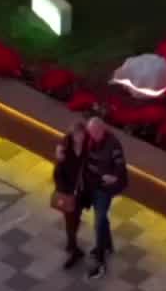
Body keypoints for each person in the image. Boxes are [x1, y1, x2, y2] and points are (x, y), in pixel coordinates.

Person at [83, 113, 127, 276]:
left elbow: (120, 166)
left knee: (99, 221)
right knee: (101, 217)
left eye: (95, 133)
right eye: (90, 133)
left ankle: (100, 257)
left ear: (102, 130)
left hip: (104, 188)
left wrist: (113, 177)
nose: (92, 136)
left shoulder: (113, 145)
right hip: (92, 184)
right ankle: (107, 245)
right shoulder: (89, 141)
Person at [52, 120, 89, 268]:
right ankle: (73, 248)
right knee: (70, 220)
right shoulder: (65, 151)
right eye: (76, 135)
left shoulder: (87, 149)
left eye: (81, 135)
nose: (79, 138)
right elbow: (58, 173)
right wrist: (64, 189)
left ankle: (71, 244)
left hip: (81, 191)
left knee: (76, 218)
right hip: (68, 192)